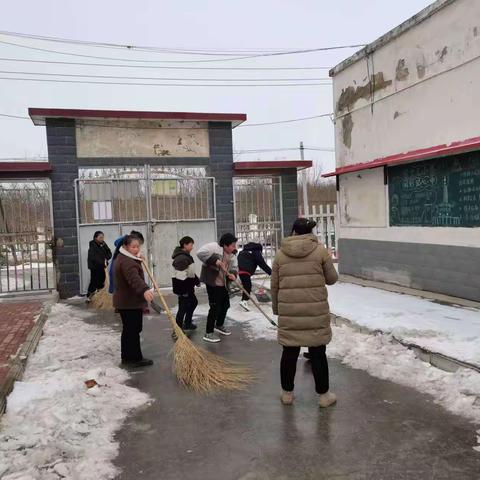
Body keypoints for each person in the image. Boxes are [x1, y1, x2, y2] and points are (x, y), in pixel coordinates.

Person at [271, 218, 338, 408]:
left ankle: (287, 394)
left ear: (293, 232)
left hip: (289, 312)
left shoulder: (280, 255)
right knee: (317, 352)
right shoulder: (320, 251)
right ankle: (324, 396)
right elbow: (332, 279)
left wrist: (277, 310)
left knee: (289, 352)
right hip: (315, 312)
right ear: (310, 233)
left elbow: (274, 286)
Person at [113, 234, 154, 368]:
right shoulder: (127, 261)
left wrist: (138, 259)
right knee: (132, 330)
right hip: (128, 302)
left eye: (138, 246)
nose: (136, 249)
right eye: (133, 247)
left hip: (127, 301)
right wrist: (144, 290)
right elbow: (133, 279)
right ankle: (133, 359)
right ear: (125, 246)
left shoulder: (124, 257)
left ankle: (130, 357)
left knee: (131, 329)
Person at [197, 233, 238, 343]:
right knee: (214, 307)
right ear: (225, 245)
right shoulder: (214, 247)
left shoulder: (232, 255)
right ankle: (208, 333)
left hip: (223, 283)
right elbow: (200, 253)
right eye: (232, 245)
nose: (234, 248)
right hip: (212, 283)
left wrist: (233, 274)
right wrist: (216, 261)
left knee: (225, 305)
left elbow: (234, 267)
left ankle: (218, 325)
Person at [172, 236, 200, 331]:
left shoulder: (186, 256)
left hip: (188, 286)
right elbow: (180, 277)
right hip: (183, 288)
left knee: (193, 302)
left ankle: (187, 323)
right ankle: (178, 330)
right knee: (183, 308)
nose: (192, 247)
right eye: (191, 245)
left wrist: (196, 280)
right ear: (185, 245)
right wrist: (183, 291)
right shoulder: (181, 258)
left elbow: (190, 271)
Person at [237, 241, 272, 311]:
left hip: (240, 271)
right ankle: (244, 301)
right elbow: (261, 263)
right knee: (248, 286)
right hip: (246, 271)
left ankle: (244, 300)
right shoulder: (256, 251)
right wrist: (270, 272)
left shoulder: (243, 251)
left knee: (246, 286)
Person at [87, 231, 112, 300]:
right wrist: (102, 262)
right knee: (94, 281)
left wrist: (107, 258)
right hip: (95, 267)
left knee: (102, 281)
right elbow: (94, 258)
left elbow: (109, 252)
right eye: (100, 237)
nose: (102, 239)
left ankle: (100, 297)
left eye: (103, 237)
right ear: (96, 238)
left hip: (102, 267)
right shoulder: (93, 246)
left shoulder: (103, 244)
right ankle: (89, 296)